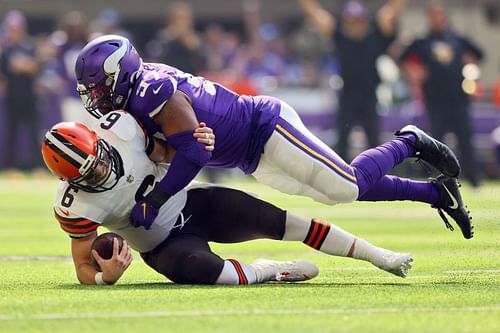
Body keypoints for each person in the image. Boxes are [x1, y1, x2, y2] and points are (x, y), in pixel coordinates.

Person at [74, 34, 473, 239]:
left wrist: (155, 198)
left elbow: (193, 154)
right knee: (332, 191)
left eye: (98, 87)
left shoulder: (151, 91)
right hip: (247, 155)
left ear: (120, 73)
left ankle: (409, 141)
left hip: (264, 128)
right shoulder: (138, 93)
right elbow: (177, 148)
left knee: (347, 183)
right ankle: (438, 193)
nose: (96, 97)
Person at [41, 111, 414, 285]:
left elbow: (168, 151)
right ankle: (268, 271)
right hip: (162, 245)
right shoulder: (76, 205)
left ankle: (379, 256)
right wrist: (106, 277)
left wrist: (193, 144)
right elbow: (82, 268)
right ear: (68, 180)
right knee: (204, 270)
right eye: (89, 175)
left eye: (99, 162)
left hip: (194, 203)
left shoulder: (122, 129)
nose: (101, 172)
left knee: (283, 222)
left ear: (101, 141)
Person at [298, 0, 406, 161]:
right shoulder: (340, 36)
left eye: (358, 19)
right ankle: (341, 174)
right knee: (343, 138)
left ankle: (376, 174)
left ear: (364, 19)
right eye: (351, 20)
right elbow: (316, 15)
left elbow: (391, 12)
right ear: (346, 20)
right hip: (347, 94)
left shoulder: (375, 36)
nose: (355, 24)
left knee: (373, 139)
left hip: (369, 95)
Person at [399, 4, 484, 188]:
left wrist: (471, 69)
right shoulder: (422, 42)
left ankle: (474, 180)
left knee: (465, 139)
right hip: (435, 101)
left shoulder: (457, 40)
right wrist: (414, 73)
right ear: (429, 18)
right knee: (437, 142)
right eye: (433, 16)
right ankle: (439, 180)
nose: (437, 19)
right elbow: (401, 58)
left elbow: (479, 55)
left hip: (459, 100)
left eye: (440, 16)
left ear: (444, 18)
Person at [0, 11, 41, 172]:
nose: (15, 31)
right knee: (12, 132)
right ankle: (10, 167)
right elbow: (8, 68)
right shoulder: (5, 49)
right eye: (12, 28)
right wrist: (24, 65)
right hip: (12, 96)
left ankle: (38, 167)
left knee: (33, 132)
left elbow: (35, 67)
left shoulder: (30, 46)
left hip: (30, 96)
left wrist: (24, 65)